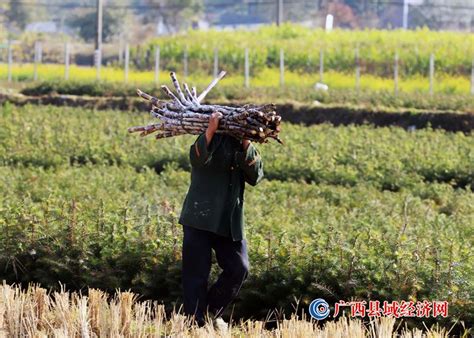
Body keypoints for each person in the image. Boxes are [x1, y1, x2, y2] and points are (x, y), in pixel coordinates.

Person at [178, 111, 264, 328]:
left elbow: (256, 176)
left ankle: (209, 312)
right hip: (200, 217)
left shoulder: (243, 144)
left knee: (239, 268)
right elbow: (196, 158)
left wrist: (246, 141)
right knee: (196, 274)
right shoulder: (210, 138)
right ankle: (194, 323)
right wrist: (211, 129)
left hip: (229, 221)